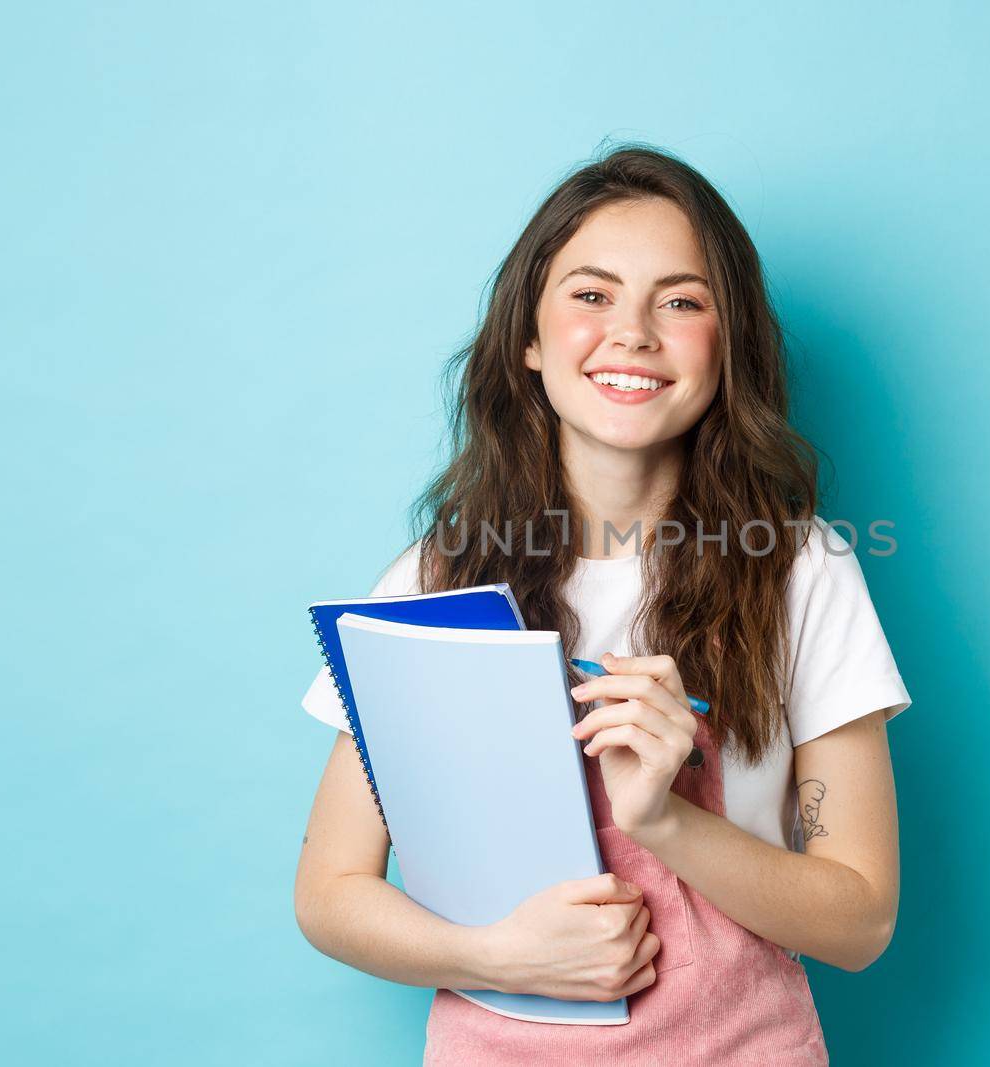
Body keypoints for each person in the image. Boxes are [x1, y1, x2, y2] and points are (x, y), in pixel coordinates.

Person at [293, 142, 911, 1065]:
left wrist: (663, 817)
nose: (633, 331)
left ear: (727, 345)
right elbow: (330, 891)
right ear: (529, 341)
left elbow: (860, 921)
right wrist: (493, 954)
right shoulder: (436, 576)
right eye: (591, 294)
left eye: (682, 300)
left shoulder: (800, 570)